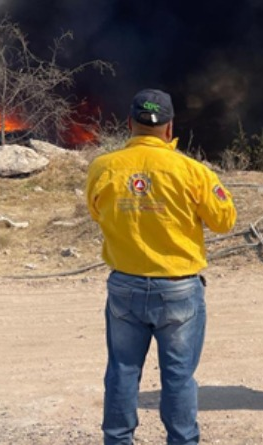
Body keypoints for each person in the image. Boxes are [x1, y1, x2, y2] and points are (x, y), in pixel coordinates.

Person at [86, 89, 237, 444]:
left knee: (122, 373)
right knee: (179, 377)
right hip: (179, 289)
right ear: (169, 129)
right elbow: (224, 221)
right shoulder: (191, 170)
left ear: (129, 125)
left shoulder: (103, 167)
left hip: (124, 286)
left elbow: (97, 212)